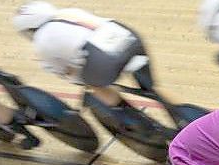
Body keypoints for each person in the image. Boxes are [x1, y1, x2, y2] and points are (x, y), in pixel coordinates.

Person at [12, 1, 176, 121]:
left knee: (94, 84)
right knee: (152, 88)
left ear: (29, 29)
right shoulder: (70, 11)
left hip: (105, 60)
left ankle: (133, 118)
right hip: (130, 37)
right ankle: (181, 114)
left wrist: (79, 78)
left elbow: (64, 72)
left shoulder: (41, 42)